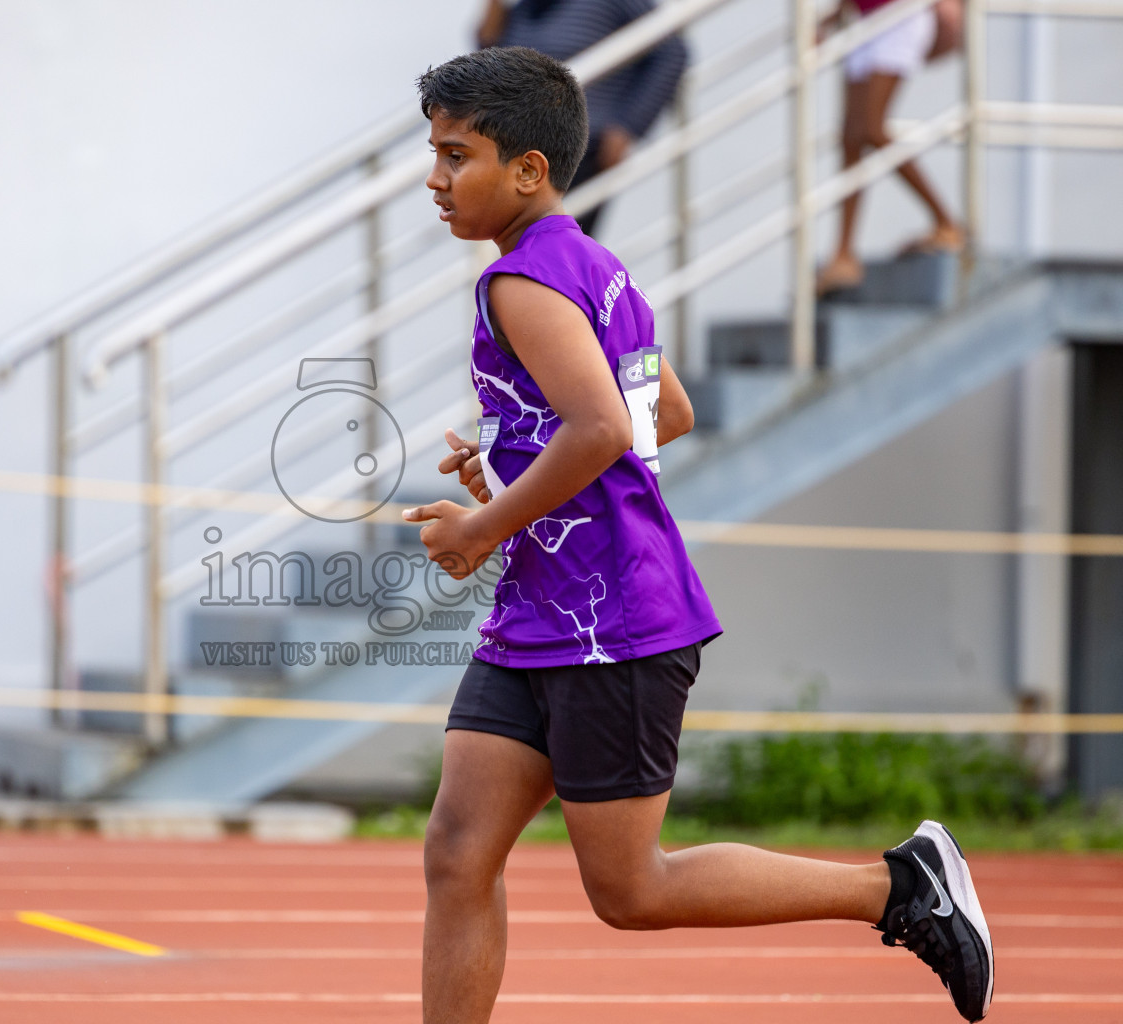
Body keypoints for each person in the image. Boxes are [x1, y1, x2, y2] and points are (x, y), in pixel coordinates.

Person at [402, 47, 994, 1023]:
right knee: (457, 851)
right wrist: (512, 465)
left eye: (454, 155)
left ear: (528, 170)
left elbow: (602, 428)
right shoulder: (591, 262)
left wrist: (484, 525)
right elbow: (662, 413)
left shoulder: (519, 282)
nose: (434, 178)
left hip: (615, 623)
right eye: (433, 153)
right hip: (547, 614)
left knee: (633, 891)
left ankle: (897, 887)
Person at [476, 0, 688, 237]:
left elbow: (671, 51)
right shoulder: (525, 10)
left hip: (581, 147)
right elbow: (488, 58)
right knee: (528, 249)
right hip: (521, 147)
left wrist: (628, 125)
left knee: (548, 247)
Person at [816, 0, 966, 294]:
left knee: (871, 128)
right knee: (851, 137)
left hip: (900, 15)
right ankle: (843, 253)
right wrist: (833, 17)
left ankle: (947, 222)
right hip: (863, 18)